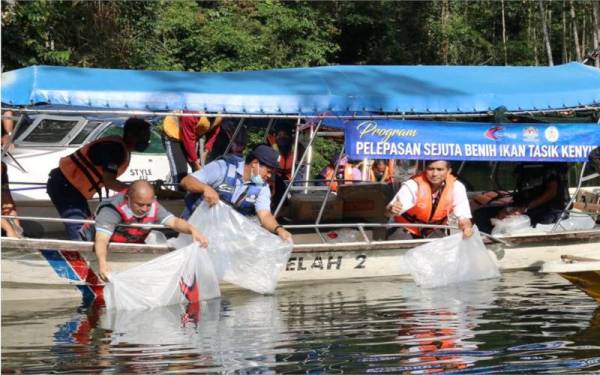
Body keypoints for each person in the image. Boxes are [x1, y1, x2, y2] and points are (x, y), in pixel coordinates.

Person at [80, 180, 208, 281]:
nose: (145, 209)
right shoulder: (111, 210)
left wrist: (192, 230)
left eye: (148, 205)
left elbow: (174, 222)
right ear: (127, 199)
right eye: (140, 204)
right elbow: (101, 240)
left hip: (128, 246)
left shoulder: (153, 206)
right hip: (94, 243)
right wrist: (102, 264)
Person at [46, 117, 151, 240]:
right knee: (80, 230)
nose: (146, 141)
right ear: (130, 135)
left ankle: (87, 253)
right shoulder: (115, 149)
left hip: (73, 189)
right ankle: (80, 254)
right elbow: (109, 182)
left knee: (88, 229)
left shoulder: (119, 147)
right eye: (143, 136)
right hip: (65, 186)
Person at [180, 144, 293, 242]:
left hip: (225, 236)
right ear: (255, 163)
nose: (269, 176)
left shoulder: (262, 187)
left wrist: (279, 229)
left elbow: (265, 215)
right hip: (194, 228)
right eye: (268, 171)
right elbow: (186, 181)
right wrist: (205, 188)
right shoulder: (222, 167)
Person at [473, 162, 569, 234]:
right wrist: (508, 209)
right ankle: (486, 241)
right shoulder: (523, 168)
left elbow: (551, 193)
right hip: (524, 207)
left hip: (547, 210)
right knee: (481, 213)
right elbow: (521, 196)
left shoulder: (550, 168)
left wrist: (525, 208)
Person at [386, 160, 473, 238]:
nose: (435, 174)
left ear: (449, 171)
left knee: (443, 250)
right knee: (401, 244)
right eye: (431, 169)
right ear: (425, 170)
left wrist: (466, 226)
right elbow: (388, 213)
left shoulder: (457, 187)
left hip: (432, 230)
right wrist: (392, 210)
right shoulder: (413, 185)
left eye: (440, 169)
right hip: (404, 227)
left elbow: (464, 216)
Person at [161, 111, 222, 187]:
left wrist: (206, 150)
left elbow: (215, 130)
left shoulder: (220, 112)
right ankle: (181, 195)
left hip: (193, 136)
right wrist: (195, 163)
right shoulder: (192, 113)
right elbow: (189, 140)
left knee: (199, 175)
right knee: (181, 174)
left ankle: (196, 196)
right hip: (174, 136)